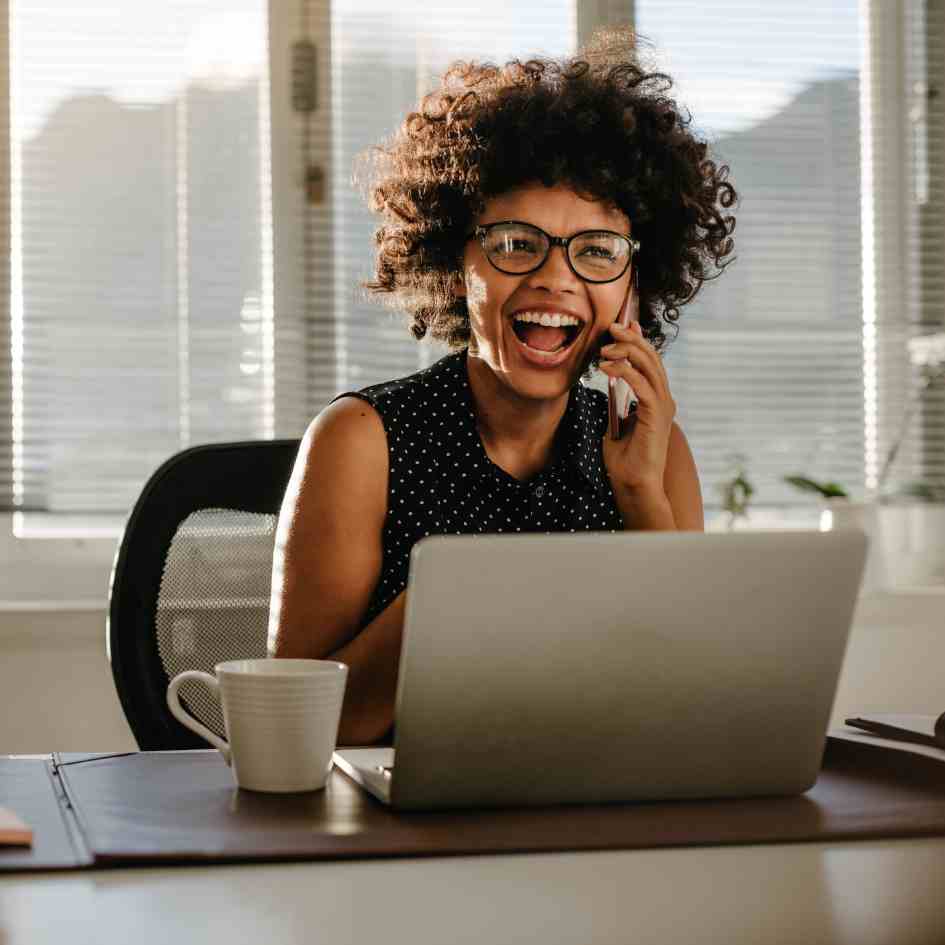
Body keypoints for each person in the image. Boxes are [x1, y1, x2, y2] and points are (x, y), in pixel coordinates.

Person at [269, 27, 737, 745]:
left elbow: (688, 716)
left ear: (633, 287)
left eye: (596, 251)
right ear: (458, 263)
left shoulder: (657, 455)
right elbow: (297, 732)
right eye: (515, 243)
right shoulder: (363, 441)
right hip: (397, 836)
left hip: (587, 815)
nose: (555, 277)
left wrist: (641, 495)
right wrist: (457, 596)